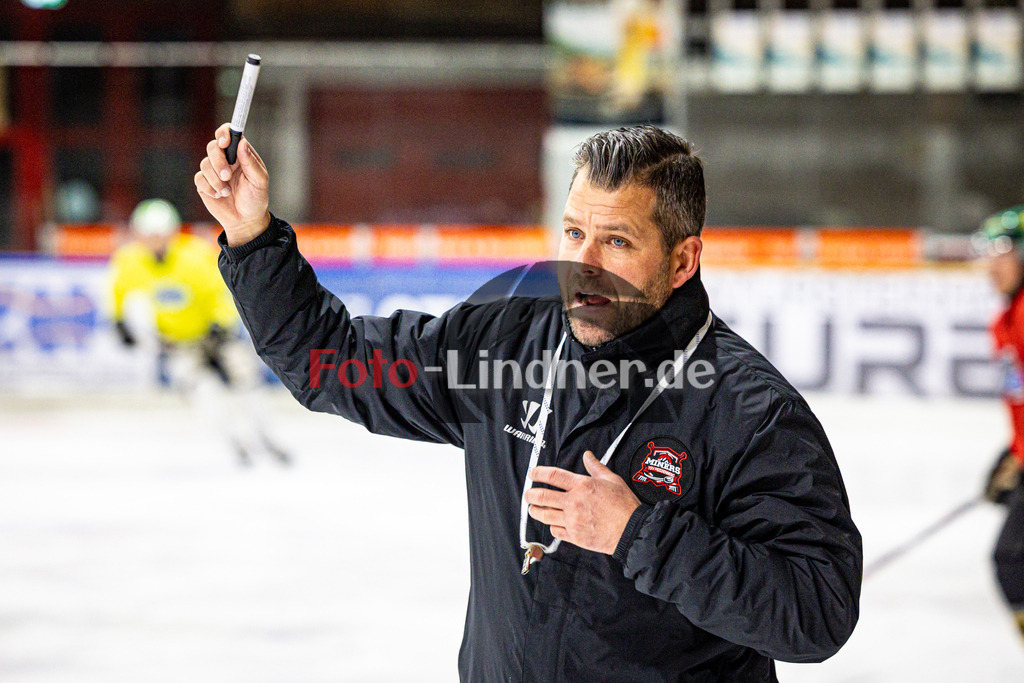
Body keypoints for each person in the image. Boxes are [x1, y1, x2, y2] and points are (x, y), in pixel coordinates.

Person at [195, 123, 861, 680]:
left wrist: (639, 535)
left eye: (617, 241)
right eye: (572, 233)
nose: (583, 264)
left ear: (682, 261)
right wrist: (252, 234)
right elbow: (333, 362)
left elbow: (817, 612)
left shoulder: (750, 411)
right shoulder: (507, 339)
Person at [110, 198, 290, 466]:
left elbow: (219, 291)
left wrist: (222, 325)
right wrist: (119, 323)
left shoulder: (193, 256)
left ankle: (266, 435)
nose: (155, 241)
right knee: (204, 392)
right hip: (179, 343)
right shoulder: (130, 261)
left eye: (160, 234)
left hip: (215, 335)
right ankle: (234, 442)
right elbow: (118, 292)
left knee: (246, 381)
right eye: (148, 235)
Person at [976, 205, 1024, 641]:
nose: (991, 265)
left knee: (1012, 560)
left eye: (1002, 251)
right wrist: (1015, 451)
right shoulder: (1008, 317)